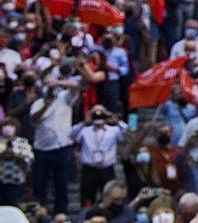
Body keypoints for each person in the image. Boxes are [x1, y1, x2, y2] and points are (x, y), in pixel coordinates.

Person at [30, 82, 78, 214]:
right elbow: (34, 118)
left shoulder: (65, 99)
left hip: (62, 147)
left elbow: (76, 86)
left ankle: (61, 214)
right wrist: (46, 105)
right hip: (41, 149)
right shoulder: (38, 103)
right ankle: (39, 213)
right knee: (40, 183)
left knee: (61, 183)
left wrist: (57, 82)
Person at [71, 106, 126, 207]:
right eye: (95, 112)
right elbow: (71, 135)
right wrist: (84, 122)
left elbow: (128, 133)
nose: (98, 115)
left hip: (107, 169)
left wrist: (116, 120)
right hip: (89, 170)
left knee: (110, 197)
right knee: (87, 198)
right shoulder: (85, 130)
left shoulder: (113, 130)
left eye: (101, 113)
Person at [0, 117, 33, 205]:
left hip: (15, 179)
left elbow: (29, 159)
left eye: (11, 125)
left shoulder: (21, 142)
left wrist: (16, 155)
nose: (8, 127)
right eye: (6, 125)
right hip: (1, 178)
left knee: (12, 204)